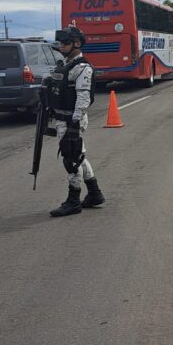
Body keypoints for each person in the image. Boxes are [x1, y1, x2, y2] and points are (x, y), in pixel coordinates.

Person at [45, 25, 104, 217]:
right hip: (62, 117)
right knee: (79, 156)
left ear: (77, 44)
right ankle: (94, 194)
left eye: (66, 43)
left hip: (72, 119)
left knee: (71, 159)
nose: (62, 46)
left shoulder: (82, 68)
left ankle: (73, 200)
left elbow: (83, 97)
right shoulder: (65, 65)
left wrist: (74, 123)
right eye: (60, 43)